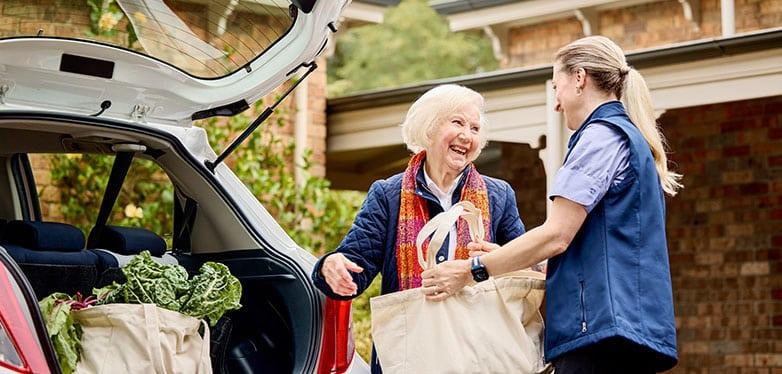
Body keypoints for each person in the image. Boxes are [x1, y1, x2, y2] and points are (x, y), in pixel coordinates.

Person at [421, 36, 682, 373]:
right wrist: (512, 261)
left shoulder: (599, 137)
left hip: (599, 335)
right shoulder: (627, 137)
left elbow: (556, 235)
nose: (556, 103)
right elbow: (594, 250)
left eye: (556, 86)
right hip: (623, 334)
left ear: (579, 79)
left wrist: (472, 270)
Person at [311, 84, 526, 373]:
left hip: (478, 351)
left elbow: (526, 271)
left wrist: (498, 258)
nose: (467, 135)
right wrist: (330, 267)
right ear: (429, 127)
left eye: (475, 128)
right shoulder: (389, 194)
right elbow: (354, 265)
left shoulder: (498, 195)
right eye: (458, 122)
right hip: (410, 353)